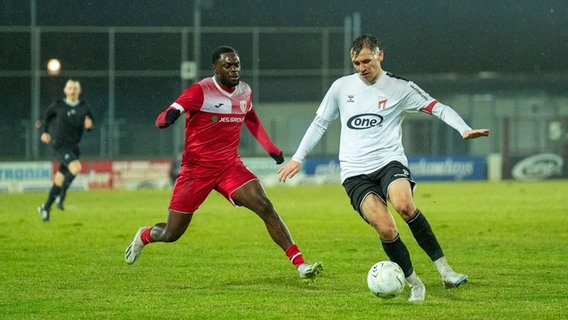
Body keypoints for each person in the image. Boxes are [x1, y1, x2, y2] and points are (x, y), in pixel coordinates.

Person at [278, 34, 489, 301]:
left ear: (380, 55)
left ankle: (445, 271)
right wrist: (298, 157)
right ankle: (415, 284)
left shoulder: (399, 87)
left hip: (389, 161)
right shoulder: (341, 88)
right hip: (355, 173)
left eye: (366, 61)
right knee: (387, 229)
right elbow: (319, 123)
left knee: (405, 205)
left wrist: (464, 129)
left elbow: (438, 108)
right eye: (356, 63)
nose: (362, 68)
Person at [125, 46, 323, 283]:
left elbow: (251, 118)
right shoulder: (201, 91)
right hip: (195, 170)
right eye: (228, 65)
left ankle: (300, 264)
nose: (234, 70)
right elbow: (170, 111)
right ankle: (145, 236)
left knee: (265, 206)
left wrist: (271, 148)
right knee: (171, 233)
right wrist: (167, 119)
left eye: (236, 64)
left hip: (229, 166)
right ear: (215, 68)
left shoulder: (244, 91)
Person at [38, 79, 94, 222]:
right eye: (70, 88)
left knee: (59, 179)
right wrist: (44, 131)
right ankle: (62, 196)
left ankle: (45, 207)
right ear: (65, 90)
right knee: (76, 168)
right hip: (60, 145)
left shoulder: (84, 107)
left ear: (79, 91)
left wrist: (89, 125)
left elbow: (90, 121)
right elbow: (46, 118)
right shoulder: (58, 105)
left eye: (75, 88)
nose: (72, 91)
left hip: (74, 146)